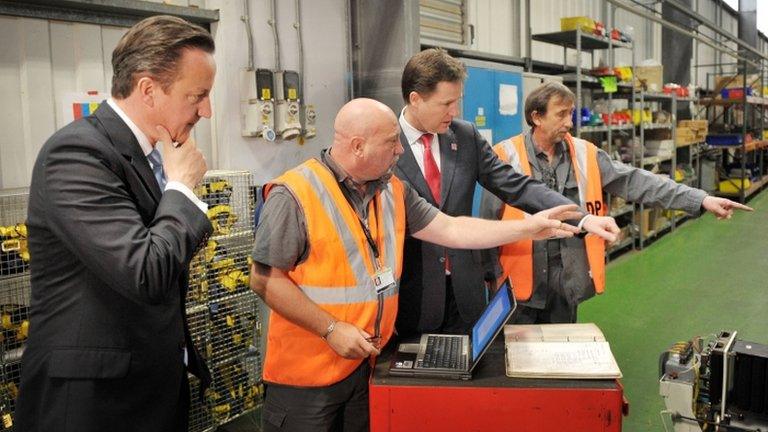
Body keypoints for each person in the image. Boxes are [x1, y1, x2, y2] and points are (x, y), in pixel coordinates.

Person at [250, 98, 583, 432]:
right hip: (307, 377)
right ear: (357, 146)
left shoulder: (393, 190)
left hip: (364, 364)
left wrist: (528, 227)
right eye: (391, 142)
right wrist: (331, 329)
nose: (400, 150)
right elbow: (265, 280)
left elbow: (451, 229)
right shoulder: (295, 193)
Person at [16, 15, 216, 432]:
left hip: (150, 390)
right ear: (147, 89)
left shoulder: (149, 153)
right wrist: (181, 188)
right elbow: (144, 271)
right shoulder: (76, 154)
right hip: (97, 404)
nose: (206, 111)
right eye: (197, 96)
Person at [481, 81, 753, 324]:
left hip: (566, 281)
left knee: (560, 364)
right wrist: (490, 275)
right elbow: (488, 223)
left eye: (571, 113)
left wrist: (701, 199)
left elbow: (639, 181)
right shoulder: (506, 156)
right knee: (513, 364)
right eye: (561, 114)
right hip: (519, 282)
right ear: (536, 117)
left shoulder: (586, 154)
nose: (570, 122)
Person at [394, 48, 620, 337]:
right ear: (416, 99)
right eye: (447, 103)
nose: (455, 112)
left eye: (457, 101)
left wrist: (583, 219)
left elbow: (516, 184)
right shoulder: (388, 143)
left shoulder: (463, 136)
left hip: (465, 295)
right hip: (411, 298)